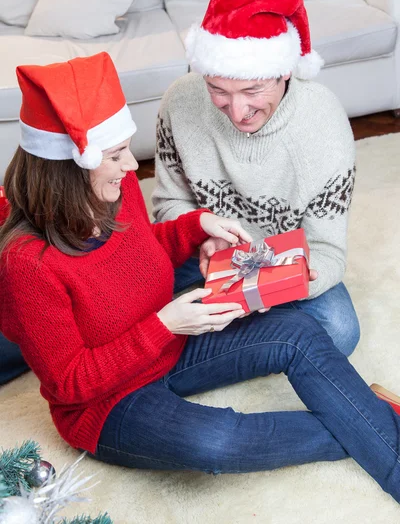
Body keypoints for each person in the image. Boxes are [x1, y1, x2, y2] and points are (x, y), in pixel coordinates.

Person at [2, 52, 400, 504]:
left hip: (169, 345)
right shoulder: (27, 264)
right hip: (108, 404)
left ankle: (373, 430)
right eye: (115, 156)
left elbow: (137, 253)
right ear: (68, 170)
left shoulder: (115, 188)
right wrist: (165, 325)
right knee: (217, 442)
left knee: (298, 331)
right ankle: (375, 420)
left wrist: (196, 227)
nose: (133, 167)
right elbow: (68, 384)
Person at [153, 0, 360, 357]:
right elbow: (167, 205)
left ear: (284, 71)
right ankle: (248, 337)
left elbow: (328, 250)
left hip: (284, 260)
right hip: (203, 250)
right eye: (218, 90)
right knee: (111, 296)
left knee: (341, 329)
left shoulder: (324, 124)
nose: (237, 111)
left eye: (252, 91)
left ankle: (206, 342)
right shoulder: (179, 101)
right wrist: (203, 235)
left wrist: (282, 286)